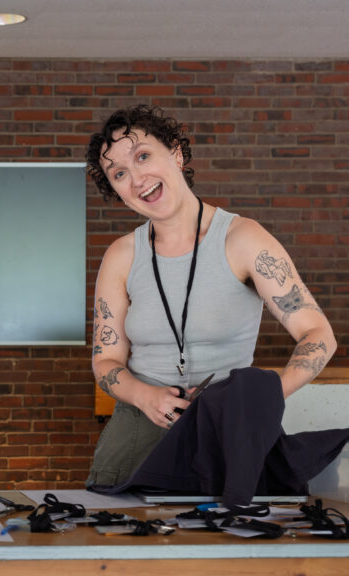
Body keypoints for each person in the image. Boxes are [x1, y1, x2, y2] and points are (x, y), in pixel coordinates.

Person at [84, 105, 335, 487]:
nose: (136, 179)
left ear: (176, 152)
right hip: (137, 435)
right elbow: (106, 360)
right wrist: (145, 397)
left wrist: (262, 396)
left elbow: (318, 333)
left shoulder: (244, 239)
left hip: (230, 431)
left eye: (143, 156)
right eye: (119, 173)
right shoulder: (120, 256)